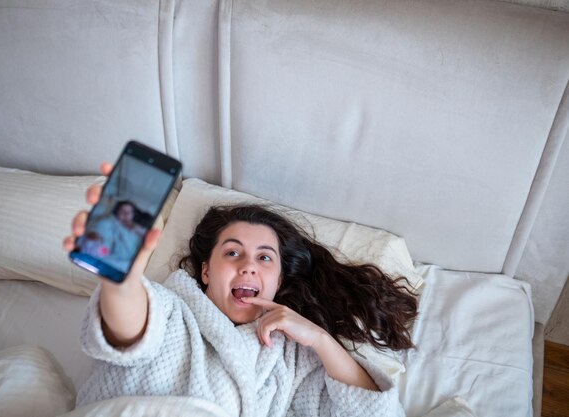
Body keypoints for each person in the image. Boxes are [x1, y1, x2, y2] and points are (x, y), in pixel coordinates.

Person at [63, 163, 418, 417]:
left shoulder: (292, 359)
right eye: (232, 252)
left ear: (278, 281)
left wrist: (321, 340)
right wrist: (120, 280)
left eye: (265, 258)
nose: (248, 265)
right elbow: (131, 327)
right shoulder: (172, 311)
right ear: (205, 271)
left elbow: (375, 412)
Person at [83, 200, 145, 271]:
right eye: (123, 211)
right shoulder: (107, 223)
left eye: (129, 212)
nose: (126, 214)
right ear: (117, 212)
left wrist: (137, 229)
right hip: (115, 265)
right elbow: (95, 239)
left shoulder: (136, 229)